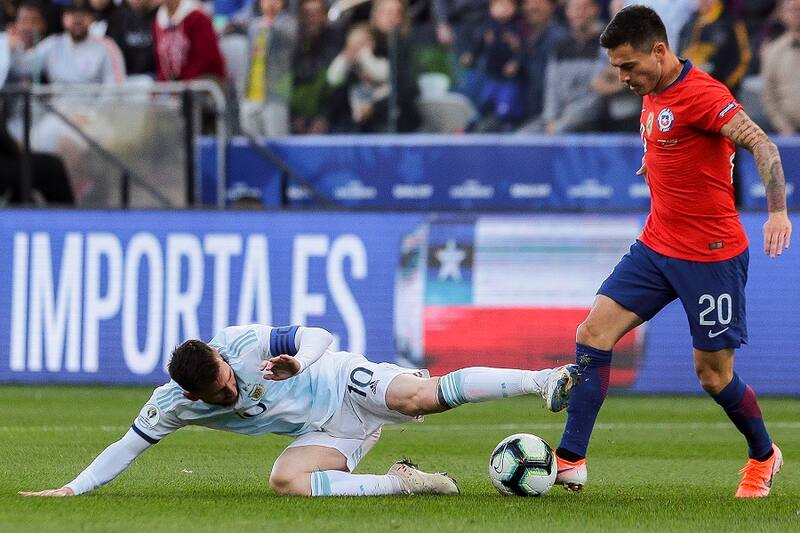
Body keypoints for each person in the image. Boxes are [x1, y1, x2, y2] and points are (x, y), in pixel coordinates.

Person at [553, 5, 791, 499]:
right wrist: (655, 160)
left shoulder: (704, 94)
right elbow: (671, 138)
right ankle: (570, 460)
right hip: (657, 246)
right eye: (617, 68)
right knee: (592, 332)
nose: (622, 78)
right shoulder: (651, 87)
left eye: (629, 67)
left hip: (711, 256)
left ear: (660, 52)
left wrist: (777, 212)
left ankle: (764, 455)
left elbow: (763, 146)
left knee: (712, 375)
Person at [18, 323, 578, 497]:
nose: (231, 389)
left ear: (219, 356)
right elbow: (126, 447)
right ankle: (403, 484)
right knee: (284, 482)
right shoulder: (172, 406)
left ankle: (542, 378)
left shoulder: (241, 344)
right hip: (329, 429)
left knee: (422, 396)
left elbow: (320, 334)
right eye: (219, 394)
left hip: (344, 382)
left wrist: (301, 363)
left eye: (226, 377)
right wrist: (72, 490)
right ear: (193, 398)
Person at [761, 0, 800, 135]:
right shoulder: (773, 51)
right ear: (782, 14)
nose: (797, 13)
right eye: (793, 9)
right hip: (787, 130)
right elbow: (769, 94)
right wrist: (782, 126)